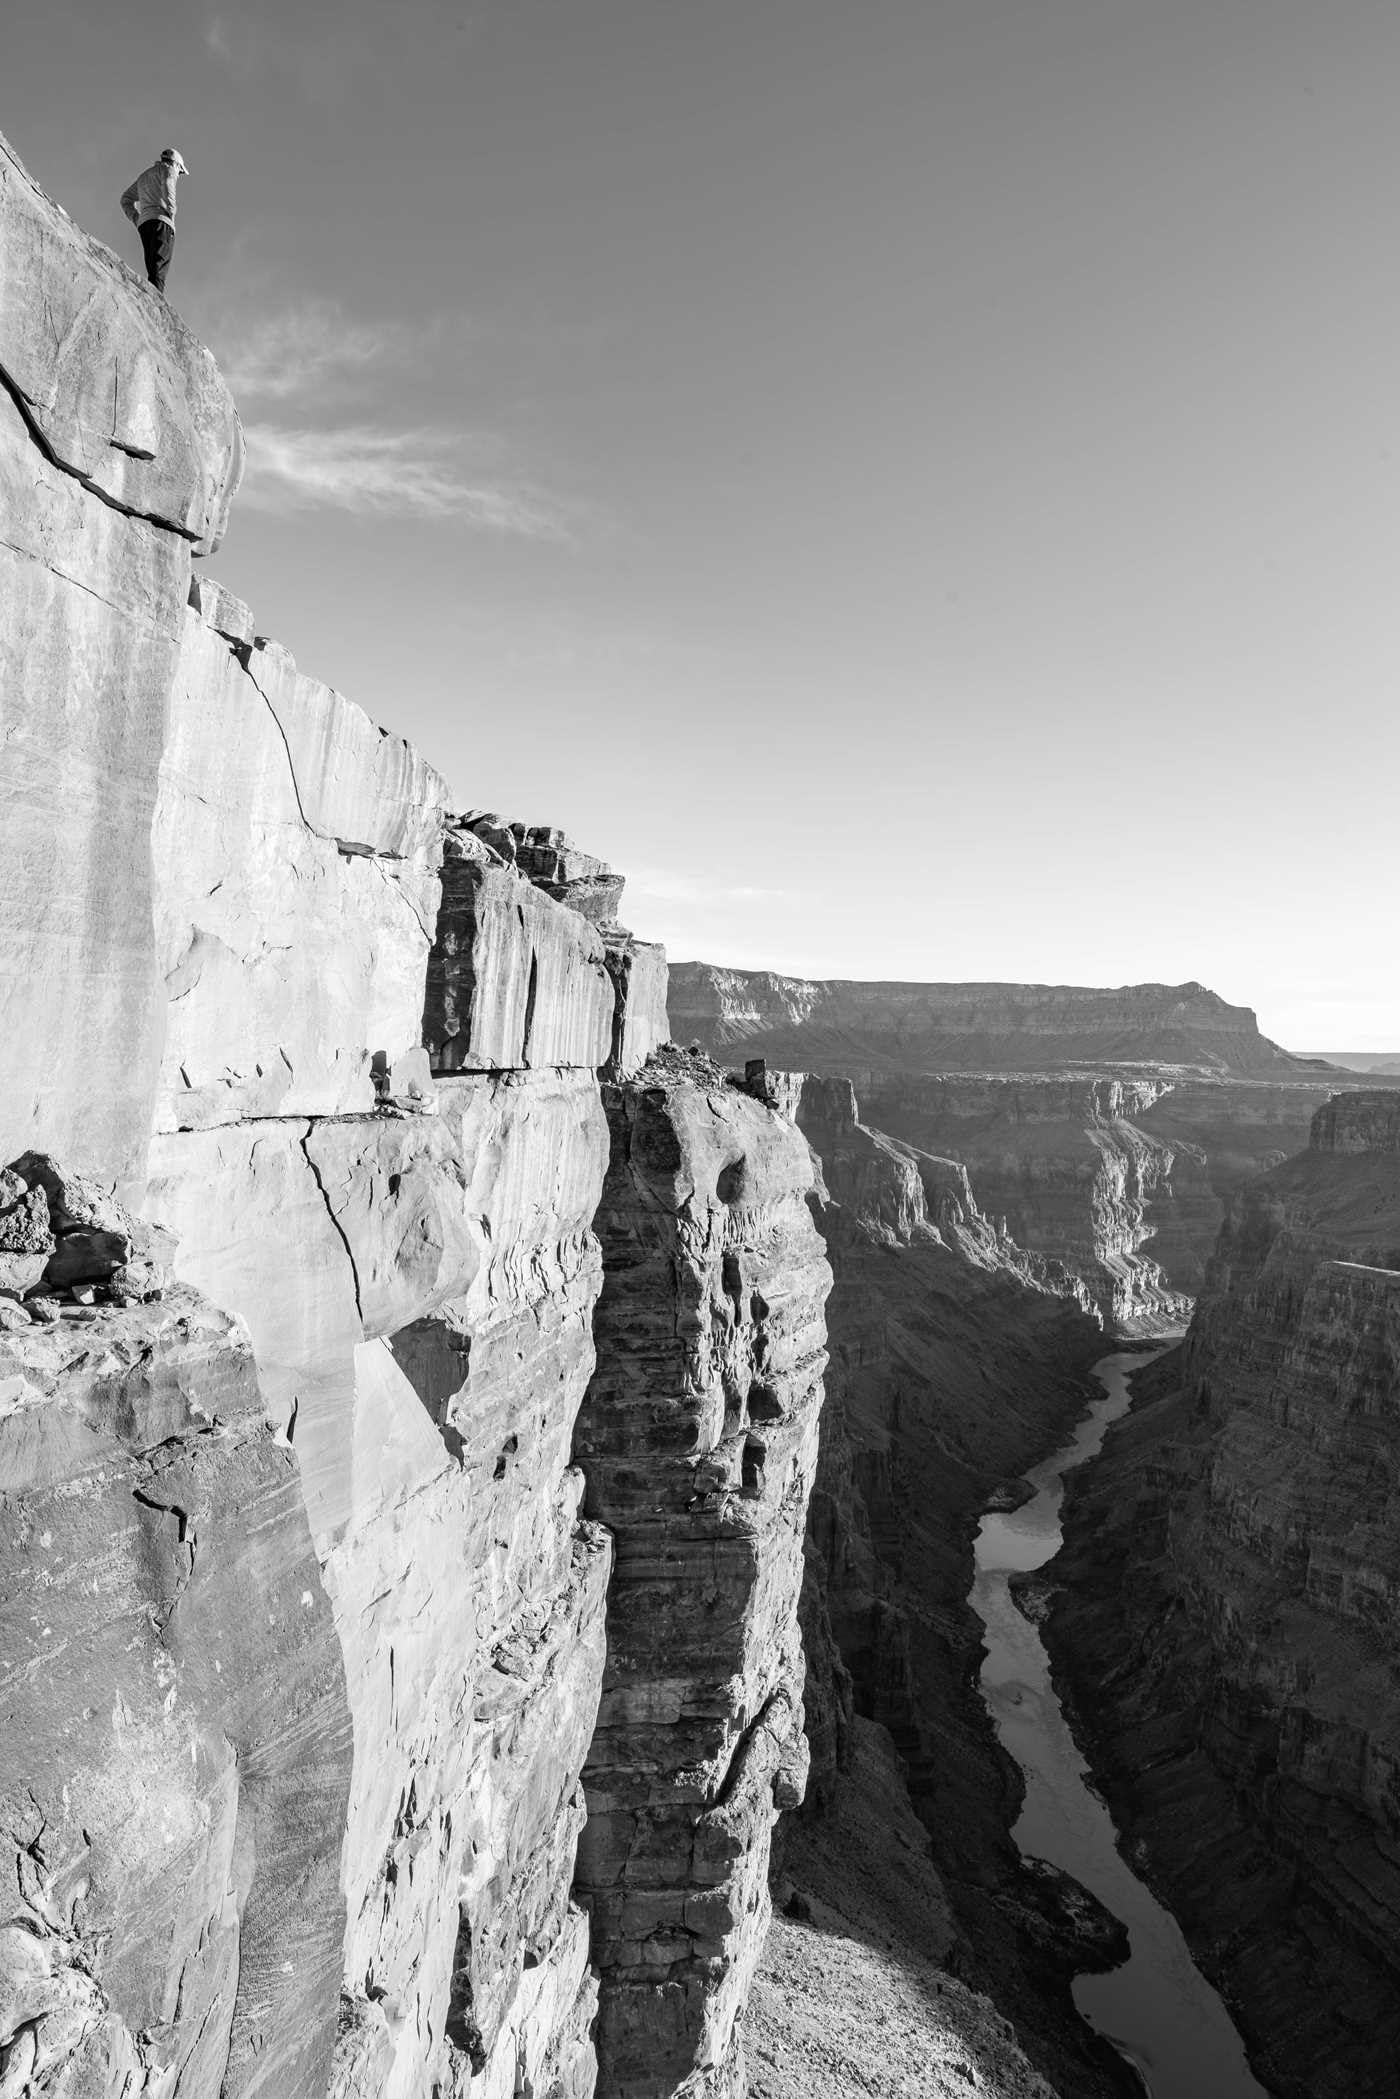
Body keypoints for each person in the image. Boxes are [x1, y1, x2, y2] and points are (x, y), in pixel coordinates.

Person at [120, 148, 187, 294]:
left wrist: (137, 219)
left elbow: (125, 199)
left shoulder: (144, 176)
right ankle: (155, 303)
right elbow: (168, 188)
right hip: (162, 222)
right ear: (176, 164)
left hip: (145, 224)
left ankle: (149, 298)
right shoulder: (168, 170)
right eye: (181, 171)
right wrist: (171, 214)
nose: (179, 174)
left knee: (152, 267)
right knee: (159, 269)